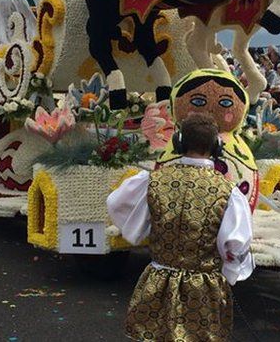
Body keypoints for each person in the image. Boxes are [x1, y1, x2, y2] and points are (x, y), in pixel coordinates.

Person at [108, 113, 253, 341]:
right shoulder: (229, 191)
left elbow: (116, 204)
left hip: (158, 278)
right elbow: (235, 245)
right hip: (203, 287)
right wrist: (231, 274)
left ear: (179, 142)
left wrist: (144, 232)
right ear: (217, 147)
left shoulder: (152, 180)